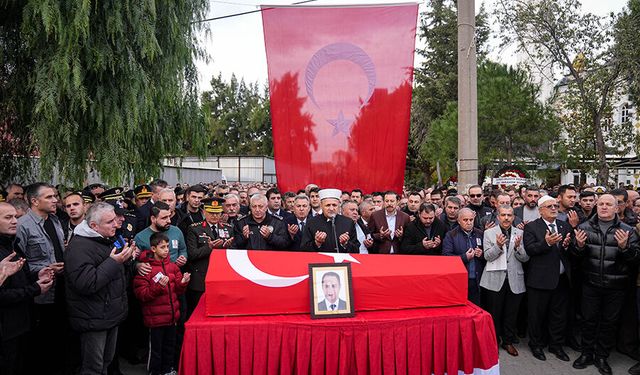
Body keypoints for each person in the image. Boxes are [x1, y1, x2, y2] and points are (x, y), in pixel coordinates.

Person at [572, 194, 640, 375]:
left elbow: (635, 260)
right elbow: (574, 258)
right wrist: (578, 246)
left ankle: (602, 356)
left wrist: (625, 247)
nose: (604, 207)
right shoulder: (584, 227)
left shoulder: (628, 231)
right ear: (596, 206)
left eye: (608, 204)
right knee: (588, 320)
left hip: (616, 286)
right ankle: (586, 353)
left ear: (617, 208)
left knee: (609, 323)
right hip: (590, 283)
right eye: (600, 204)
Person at [65, 202, 135, 375]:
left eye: (115, 219)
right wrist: (114, 262)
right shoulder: (79, 247)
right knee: (93, 367)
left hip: (109, 314)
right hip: (93, 318)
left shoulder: (105, 239)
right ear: (94, 226)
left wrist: (126, 260)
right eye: (110, 222)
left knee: (106, 362)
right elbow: (87, 283)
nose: (116, 224)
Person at [15, 182, 67, 373]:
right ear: (34, 201)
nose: (55, 200)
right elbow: (18, 263)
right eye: (49, 197)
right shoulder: (22, 226)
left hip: (61, 287)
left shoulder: (55, 221)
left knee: (58, 335)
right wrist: (43, 269)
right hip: (40, 293)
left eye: (55, 196)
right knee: (40, 340)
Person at [0, 202, 54, 375]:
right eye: (8, 218)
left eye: (15, 216)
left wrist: (37, 276)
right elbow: (2, 295)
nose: (15, 221)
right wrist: (35, 289)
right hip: (6, 328)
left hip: (22, 322)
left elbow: (18, 278)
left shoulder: (12, 244)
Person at [523, 195, 574, 362]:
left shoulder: (564, 225)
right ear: (540, 210)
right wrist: (546, 243)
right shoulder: (532, 228)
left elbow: (570, 252)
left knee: (558, 315)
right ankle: (536, 345)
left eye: (555, 205)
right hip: (540, 280)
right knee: (537, 316)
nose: (554, 208)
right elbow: (530, 250)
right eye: (549, 206)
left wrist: (568, 246)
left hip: (561, 280)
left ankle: (556, 345)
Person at [134, 232, 190, 375]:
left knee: (169, 347)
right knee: (156, 349)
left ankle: (167, 370)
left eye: (167, 246)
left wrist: (183, 283)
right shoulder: (146, 269)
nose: (166, 250)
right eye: (163, 247)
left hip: (171, 318)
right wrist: (158, 287)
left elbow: (178, 289)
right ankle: (154, 371)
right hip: (155, 320)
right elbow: (142, 294)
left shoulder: (172, 266)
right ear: (153, 249)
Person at [480, 205, 530, 357]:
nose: (506, 218)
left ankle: (507, 341)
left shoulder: (520, 233)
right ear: (498, 217)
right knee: (494, 313)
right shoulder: (489, 233)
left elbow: (525, 258)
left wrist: (517, 248)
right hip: (495, 279)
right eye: (503, 215)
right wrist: (498, 245)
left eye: (509, 215)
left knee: (511, 313)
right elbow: (487, 256)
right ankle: (493, 341)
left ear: (514, 217)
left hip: (514, 279)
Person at [185, 198, 234, 317]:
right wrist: (209, 247)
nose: (215, 216)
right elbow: (192, 254)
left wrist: (227, 248)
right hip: (201, 277)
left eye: (217, 212)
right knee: (198, 313)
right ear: (204, 212)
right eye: (211, 212)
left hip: (221, 277)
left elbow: (233, 255)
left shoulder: (228, 228)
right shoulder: (194, 229)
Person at [443, 208, 485, 305]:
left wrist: (481, 255)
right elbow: (446, 257)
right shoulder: (451, 235)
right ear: (459, 221)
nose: (469, 222)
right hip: (459, 281)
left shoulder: (480, 233)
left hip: (477, 280)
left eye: (471, 220)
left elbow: (487, 256)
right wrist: (464, 257)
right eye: (465, 220)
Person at [300, 189, 359, 253]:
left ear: (339, 206)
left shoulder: (348, 222)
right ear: (321, 206)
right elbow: (304, 249)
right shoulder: (311, 222)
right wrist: (317, 243)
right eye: (328, 205)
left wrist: (345, 244)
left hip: (343, 262)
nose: (331, 208)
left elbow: (356, 249)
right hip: (319, 261)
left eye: (334, 205)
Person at [134, 202, 187, 269]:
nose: (169, 221)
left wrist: (183, 257)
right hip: (152, 276)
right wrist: (138, 265)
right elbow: (133, 260)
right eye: (164, 218)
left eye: (169, 216)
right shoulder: (140, 237)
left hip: (175, 275)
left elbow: (183, 249)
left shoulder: (176, 231)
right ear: (153, 219)